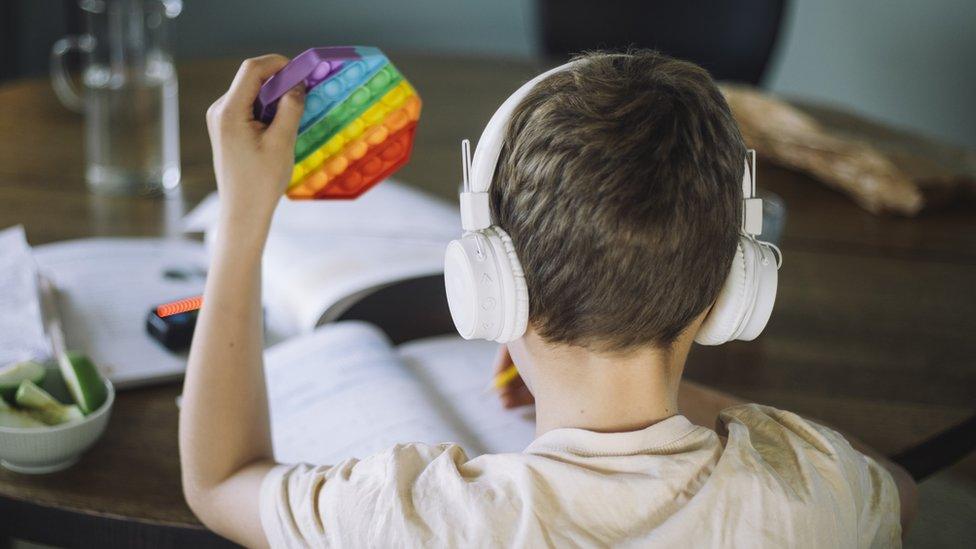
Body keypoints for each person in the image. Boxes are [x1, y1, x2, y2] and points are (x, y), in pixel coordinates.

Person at [179, 50, 916, 548]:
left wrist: (245, 217)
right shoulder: (816, 494)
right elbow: (900, 489)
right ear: (734, 292)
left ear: (489, 286)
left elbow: (219, 479)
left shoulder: (414, 520)